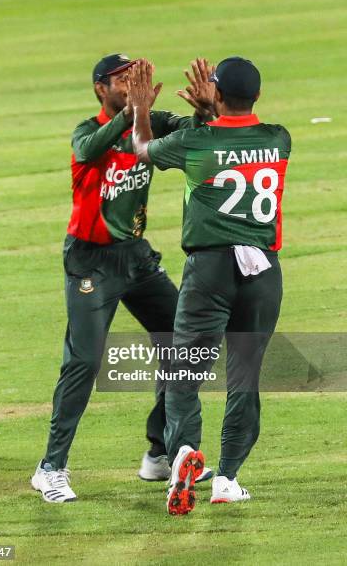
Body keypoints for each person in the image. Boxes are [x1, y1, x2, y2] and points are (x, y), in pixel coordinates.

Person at [31, 53, 212, 503]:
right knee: (86, 361)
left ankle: (160, 452)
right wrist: (131, 115)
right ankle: (50, 468)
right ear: (100, 89)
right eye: (119, 79)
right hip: (90, 262)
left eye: (133, 76)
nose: (130, 83)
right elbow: (87, 151)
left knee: (185, 341)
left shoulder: (151, 120)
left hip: (136, 257)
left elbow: (199, 137)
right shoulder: (87, 131)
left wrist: (205, 110)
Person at [129, 56, 291, 515]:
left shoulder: (194, 141)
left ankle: (183, 451)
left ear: (216, 93)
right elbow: (233, 142)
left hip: (210, 272)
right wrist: (213, 112)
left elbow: (144, 148)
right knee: (244, 379)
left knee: (185, 371)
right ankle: (227, 478)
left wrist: (142, 107)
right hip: (262, 273)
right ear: (257, 96)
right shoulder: (278, 139)